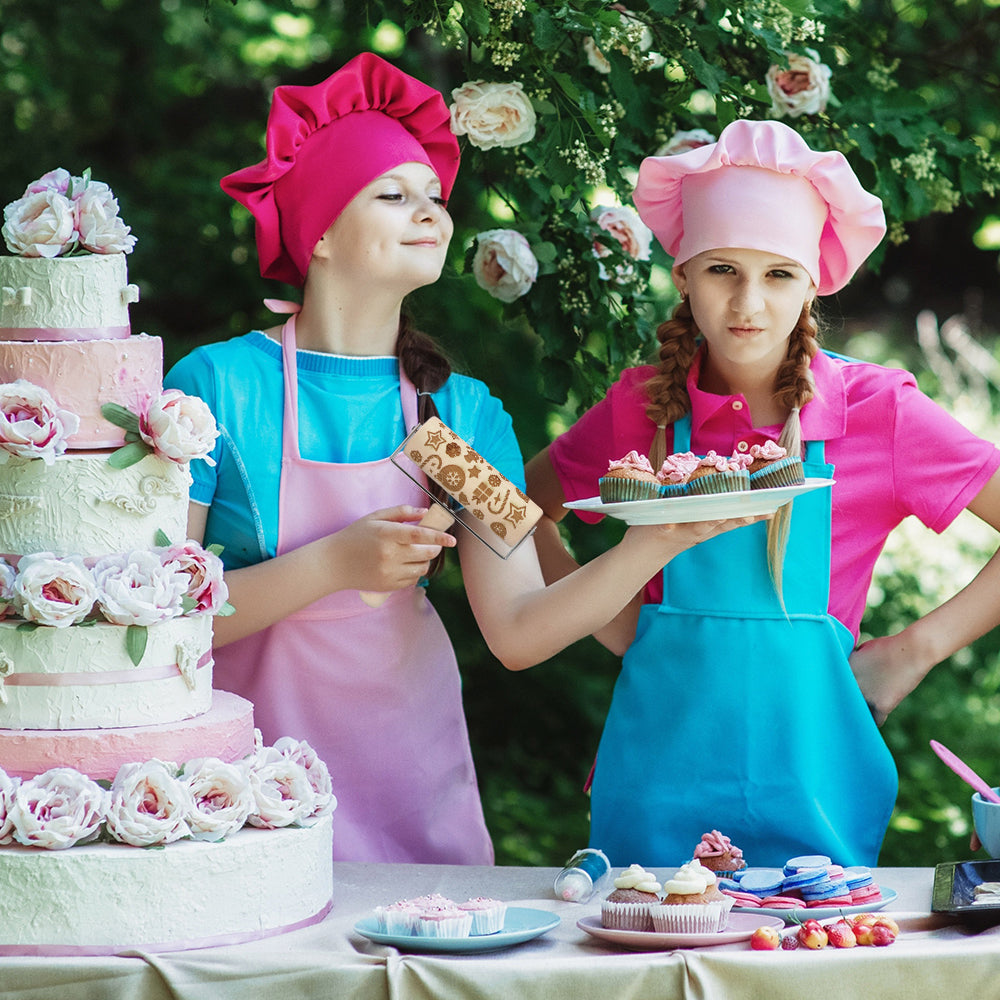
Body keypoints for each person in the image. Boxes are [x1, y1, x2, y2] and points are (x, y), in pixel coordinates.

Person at [165, 53, 754, 864]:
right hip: (241, 787)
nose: (432, 214)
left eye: (435, 199)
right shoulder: (217, 389)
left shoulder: (456, 419)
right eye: (394, 195)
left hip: (407, 772)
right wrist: (336, 562)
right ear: (321, 232)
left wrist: (656, 542)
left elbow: (517, 630)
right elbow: (156, 627)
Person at [525, 118, 1000, 868]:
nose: (748, 301)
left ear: (814, 281)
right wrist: (606, 614)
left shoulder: (881, 411)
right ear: (683, 276)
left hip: (818, 789)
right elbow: (519, 507)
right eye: (721, 270)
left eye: (778, 274)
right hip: (654, 789)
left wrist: (915, 649)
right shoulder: (642, 406)